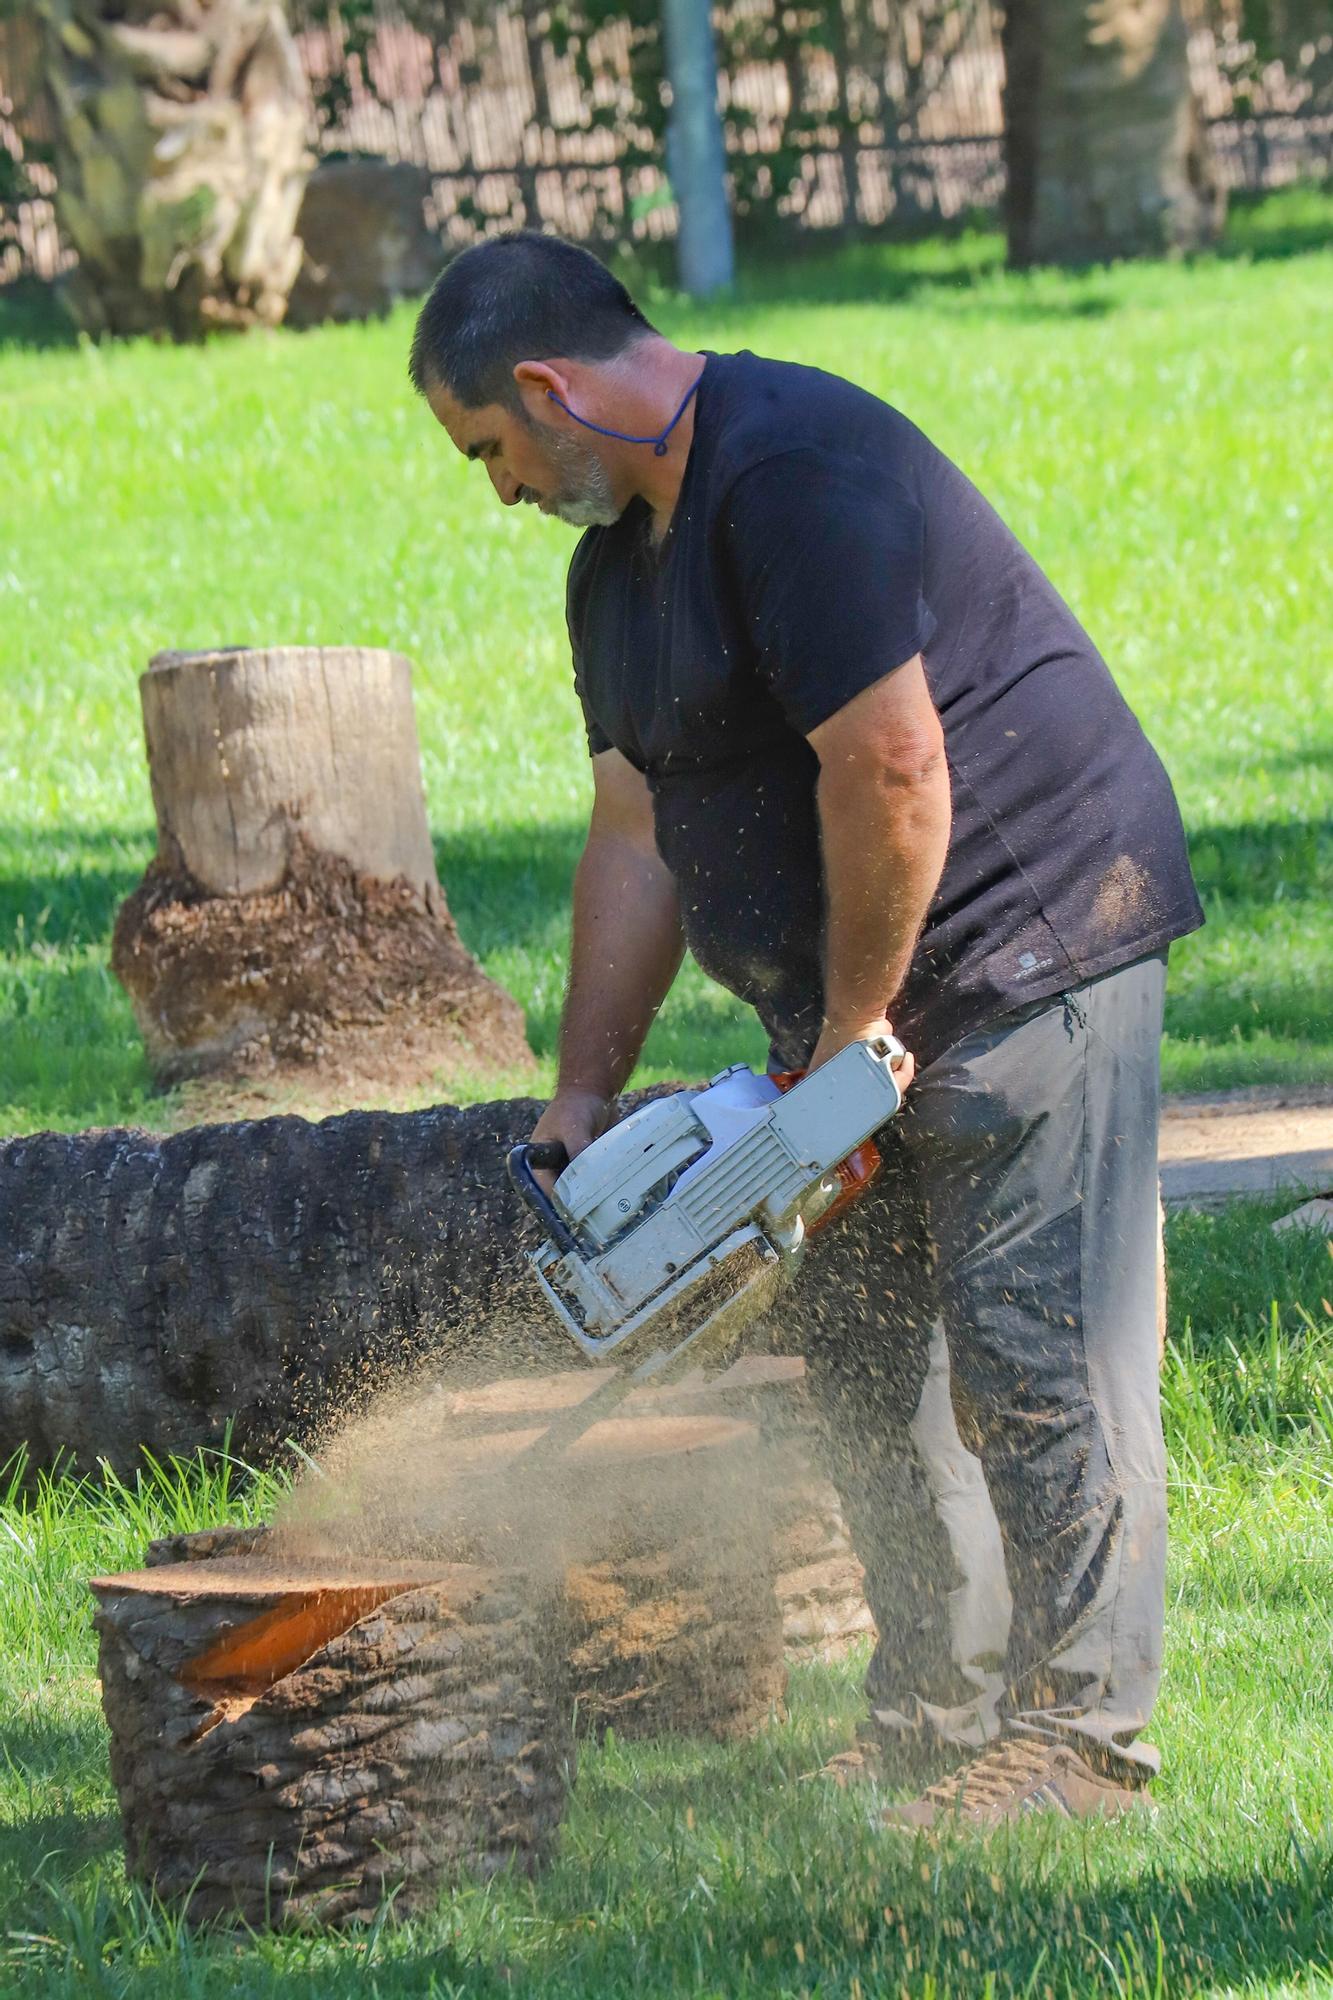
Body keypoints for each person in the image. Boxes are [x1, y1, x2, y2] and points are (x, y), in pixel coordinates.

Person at [409, 232, 1203, 1828]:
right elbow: (631, 831)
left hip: (1025, 936)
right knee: (862, 1360)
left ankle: (1083, 1740)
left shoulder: (789, 474)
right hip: (840, 1010)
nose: (493, 489)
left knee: (1033, 1345)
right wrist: (580, 1094)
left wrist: (849, 1048)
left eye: (488, 446)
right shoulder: (610, 573)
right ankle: (932, 1707)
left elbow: (893, 769)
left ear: (550, 387)